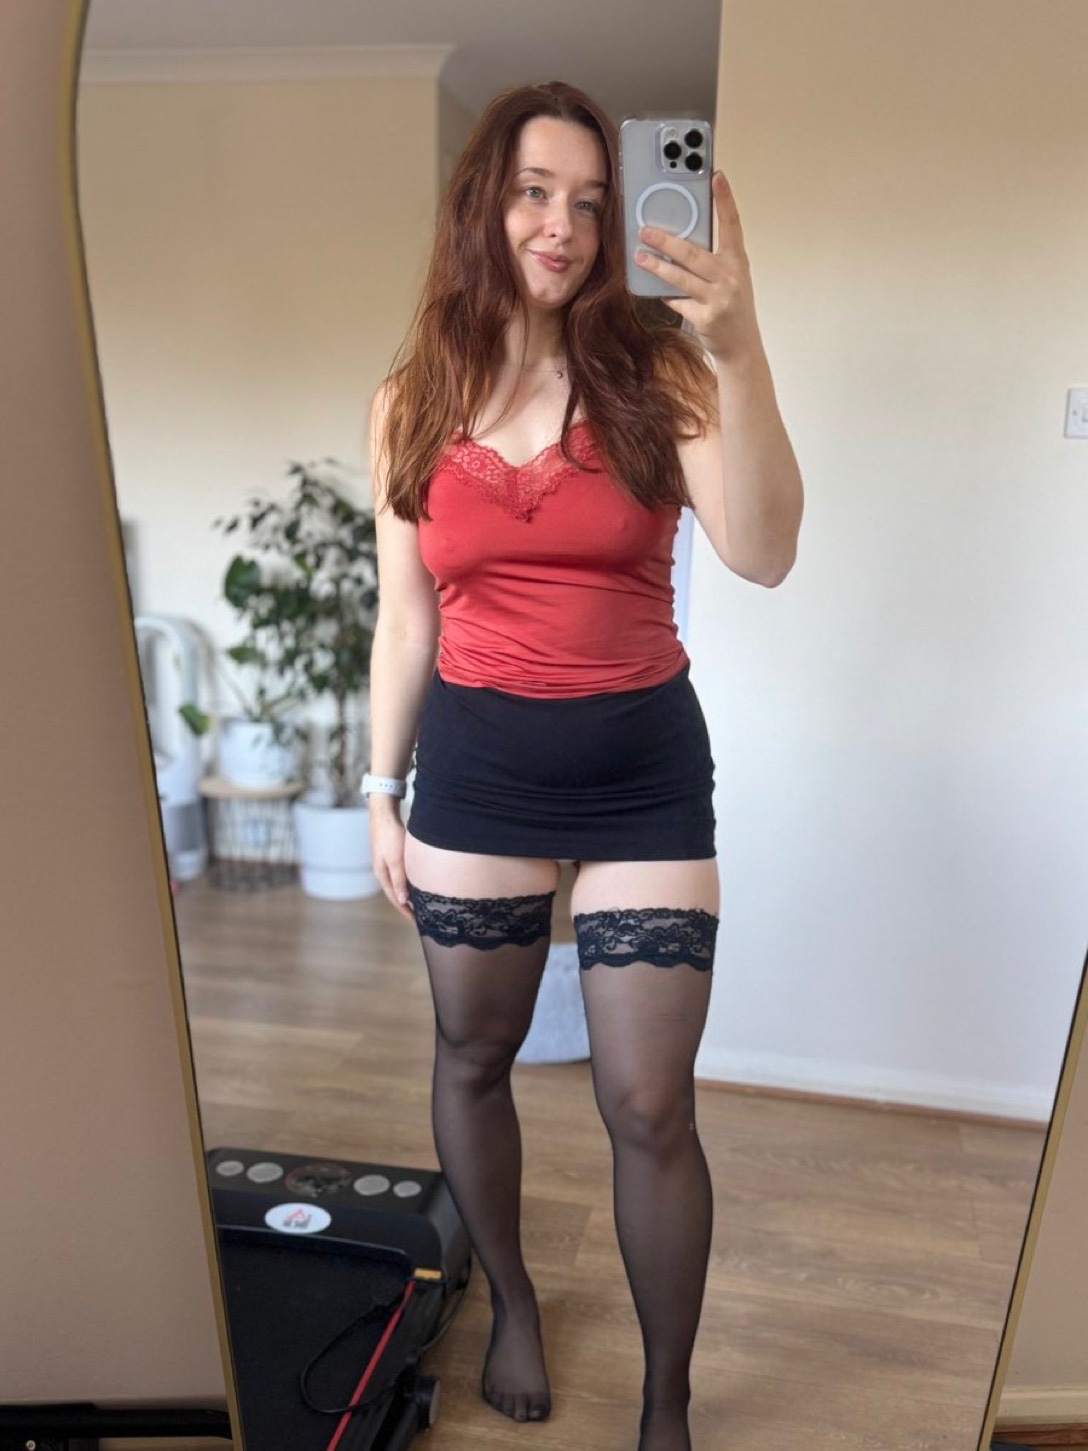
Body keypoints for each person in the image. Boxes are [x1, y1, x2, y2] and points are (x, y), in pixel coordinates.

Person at [365, 80, 802, 1451]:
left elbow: (765, 553)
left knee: (650, 1103)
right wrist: (379, 789)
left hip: (642, 779)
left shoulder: (663, 376)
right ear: (482, 206)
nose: (561, 224)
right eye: (534, 191)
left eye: (591, 202)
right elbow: (405, 619)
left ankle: (667, 1402)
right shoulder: (411, 401)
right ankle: (512, 1302)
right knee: (473, 1055)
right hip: (476, 774)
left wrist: (740, 347)